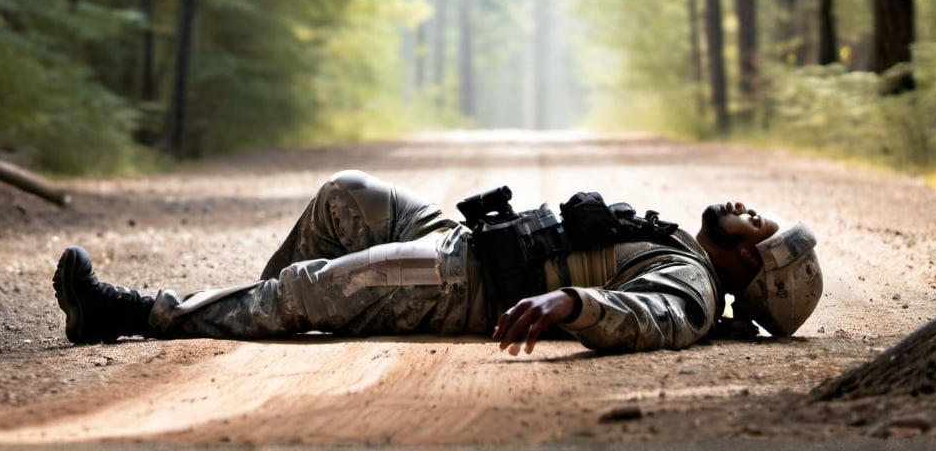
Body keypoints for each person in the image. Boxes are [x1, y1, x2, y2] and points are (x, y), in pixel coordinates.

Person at [52, 170, 823, 355]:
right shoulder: (682, 244)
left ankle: (126, 314)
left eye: (761, 224)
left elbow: (651, 318)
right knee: (344, 198)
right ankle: (247, 311)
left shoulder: (691, 285)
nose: (751, 210)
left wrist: (570, 307)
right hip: (462, 238)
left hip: (466, 285)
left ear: (755, 263)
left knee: (309, 291)